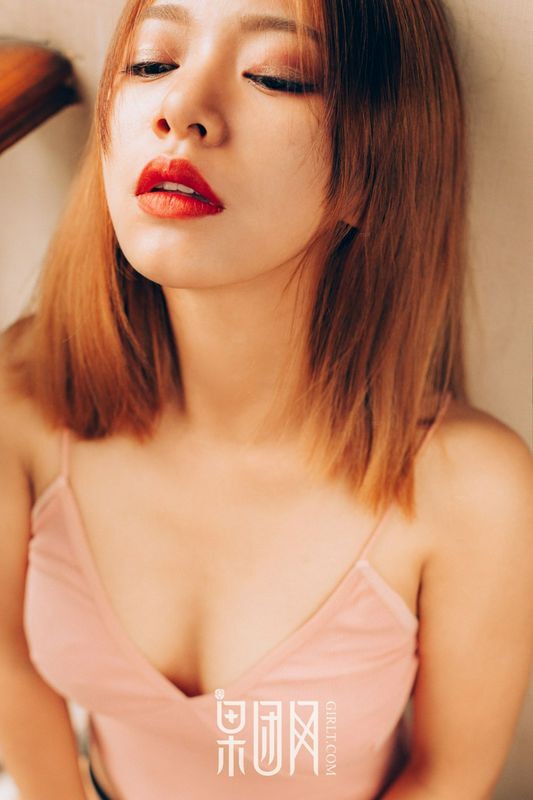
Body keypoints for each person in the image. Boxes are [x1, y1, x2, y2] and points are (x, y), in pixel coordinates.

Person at [0, 0, 532, 798]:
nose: (180, 107)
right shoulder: (24, 394)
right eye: (150, 64)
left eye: (277, 77)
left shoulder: (471, 490)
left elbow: (448, 774)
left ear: (373, 169)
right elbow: (6, 663)